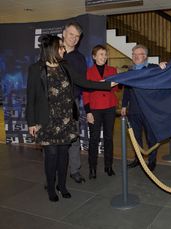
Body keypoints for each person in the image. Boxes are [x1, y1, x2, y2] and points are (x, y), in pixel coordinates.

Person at [26, 35, 116, 202]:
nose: (64, 49)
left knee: (63, 155)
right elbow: (30, 98)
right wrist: (31, 122)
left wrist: (107, 84)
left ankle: (62, 185)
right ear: (52, 48)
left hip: (66, 119)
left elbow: (84, 82)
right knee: (51, 155)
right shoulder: (36, 69)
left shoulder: (65, 66)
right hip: (47, 122)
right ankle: (51, 187)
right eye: (61, 47)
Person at [121, 44, 164, 171]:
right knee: (136, 137)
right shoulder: (130, 71)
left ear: (145, 56)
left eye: (137, 54)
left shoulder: (153, 68)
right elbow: (127, 90)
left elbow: (166, 76)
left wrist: (162, 68)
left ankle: (152, 161)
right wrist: (124, 105)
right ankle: (138, 159)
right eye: (133, 54)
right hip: (134, 110)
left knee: (151, 137)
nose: (134, 56)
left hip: (149, 111)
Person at [83, 45, 118, 179]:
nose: (104, 57)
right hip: (95, 109)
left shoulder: (113, 70)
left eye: (105, 54)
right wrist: (88, 112)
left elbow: (116, 90)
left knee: (109, 138)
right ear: (94, 57)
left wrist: (116, 83)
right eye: (101, 54)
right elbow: (85, 93)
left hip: (109, 108)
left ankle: (108, 166)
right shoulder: (88, 72)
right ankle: (92, 169)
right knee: (94, 139)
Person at [62, 22, 87, 183]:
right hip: (52, 104)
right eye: (71, 34)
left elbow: (82, 82)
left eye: (77, 36)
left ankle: (75, 170)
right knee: (53, 141)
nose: (74, 39)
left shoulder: (80, 58)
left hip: (73, 103)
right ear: (64, 33)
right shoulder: (53, 53)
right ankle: (53, 174)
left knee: (74, 138)